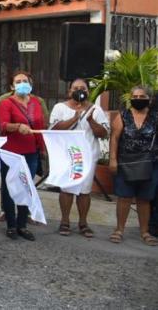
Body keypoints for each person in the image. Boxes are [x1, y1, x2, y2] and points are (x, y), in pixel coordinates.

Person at [49, 79, 109, 238]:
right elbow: (54, 129)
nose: (79, 90)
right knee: (67, 189)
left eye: (83, 88)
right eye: (76, 88)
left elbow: (103, 133)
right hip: (68, 157)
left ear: (88, 92)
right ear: (69, 91)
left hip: (88, 157)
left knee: (84, 192)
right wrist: (74, 118)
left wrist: (90, 119)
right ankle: (65, 221)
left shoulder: (96, 109)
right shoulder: (59, 108)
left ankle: (83, 223)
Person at [0, 71, 50, 223]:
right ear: (12, 86)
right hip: (11, 152)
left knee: (26, 185)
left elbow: (40, 126)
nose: (22, 84)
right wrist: (17, 126)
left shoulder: (36, 103)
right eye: (18, 81)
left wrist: (41, 148)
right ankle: (10, 222)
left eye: (25, 81)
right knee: (9, 185)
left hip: (31, 152)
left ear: (30, 84)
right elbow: (3, 126)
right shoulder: (6, 102)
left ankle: (22, 223)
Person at [108, 85, 158, 246]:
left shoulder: (155, 117)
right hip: (125, 162)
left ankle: (144, 231)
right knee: (124, 197)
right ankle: (119, 229)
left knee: (144, 198)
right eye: (134, 97)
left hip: (150, 163)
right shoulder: (123, 116)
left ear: (149, 99)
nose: (137, 100)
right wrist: (113, 160)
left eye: (141, 97)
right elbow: (114, 138)